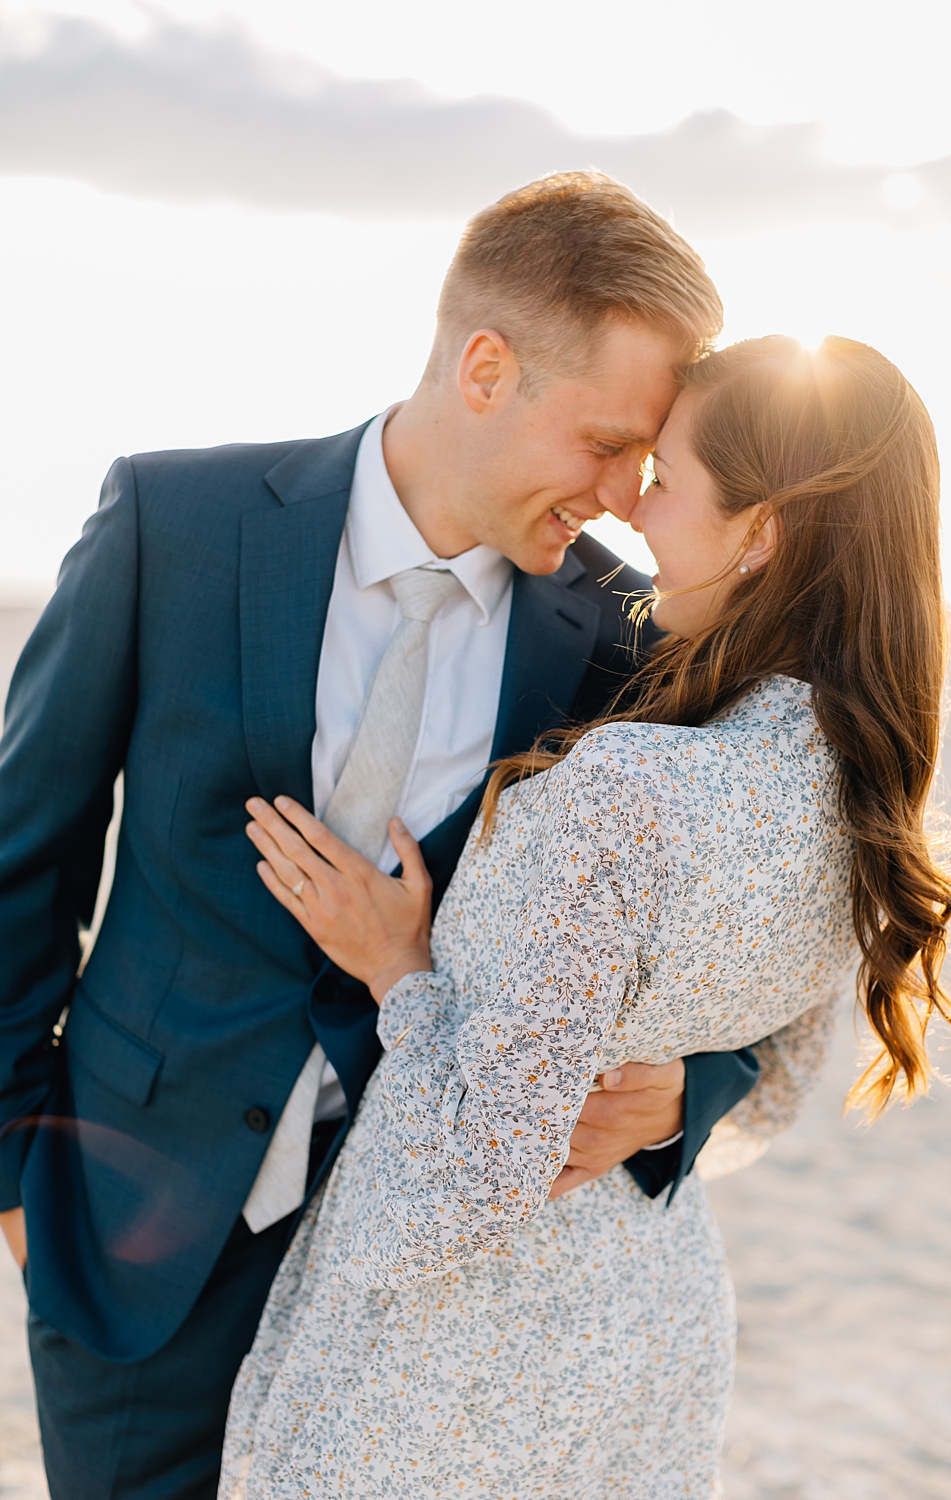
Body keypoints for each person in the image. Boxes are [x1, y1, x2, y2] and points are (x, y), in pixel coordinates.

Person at [0, 173, 765, 1500]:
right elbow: (23, 853)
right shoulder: (171, 525)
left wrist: (689, 1091)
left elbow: (734, 929)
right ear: (485, 367)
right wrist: (15, 1174)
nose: (622, 496)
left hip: (417, 1276)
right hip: (127, 1232)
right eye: (601, 443)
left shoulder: (622, 636)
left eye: (645, 463)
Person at [219, 333, 951, 1498]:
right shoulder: (866, 800)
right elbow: (771, 1093)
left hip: (444, 1381)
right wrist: (671, 1095)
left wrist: (399, 969)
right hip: (646, 1332)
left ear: (763, 533)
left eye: (666, 483)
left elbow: (463, 1189)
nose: (636, 514)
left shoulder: (630, 790)